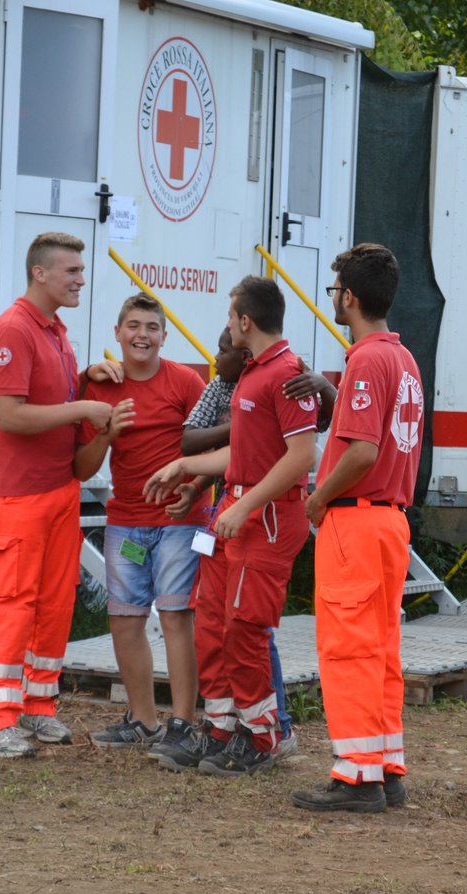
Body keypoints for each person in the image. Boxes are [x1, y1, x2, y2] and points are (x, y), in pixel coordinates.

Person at [143, 276, 316, 776]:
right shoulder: (253, 373)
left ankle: (264, 736)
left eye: (228, 317)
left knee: (245, 629)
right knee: (214, 623)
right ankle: (220, 728)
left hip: (265, 516)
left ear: (246, 321)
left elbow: (300, 456)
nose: (226, 326)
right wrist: (189, 472)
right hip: (237, 510)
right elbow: (247, 451)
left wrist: (246, 504)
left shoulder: (284, 372)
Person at [291, 243, 423, 814]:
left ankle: (356, 775)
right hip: (390, 522)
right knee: (381, 651)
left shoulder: (367, 358)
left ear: (350, 297)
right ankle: (385, 765)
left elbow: (362, 450)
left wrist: (319, 497)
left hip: (358, 520)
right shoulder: (404, 358)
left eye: (335, 291)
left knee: (348, 651)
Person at [0, 232, 112, 758]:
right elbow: (10, 414)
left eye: (80, 269)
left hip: (58, 489)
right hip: (21, 495)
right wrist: (82, 410)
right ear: (40, 273)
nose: (80, 278)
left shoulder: (54, 330)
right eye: (72, 270)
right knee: (12, 604)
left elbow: (47, 397)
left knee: (54, 604)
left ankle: (38, 707)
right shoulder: (15, 327)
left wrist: (83, 378)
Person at [73, 295, 205, 749]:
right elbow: (83, 469)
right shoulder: (102, 388)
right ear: (117, 333)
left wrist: (195, 489)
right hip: (126, 523)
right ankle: (144, 722)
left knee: (175, 616)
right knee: (125, 620)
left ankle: (183, 725)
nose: (142, 335)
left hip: (178, 521)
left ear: (164, 337)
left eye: (151, 327)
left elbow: (211, 447)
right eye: (133, 325)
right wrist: (108, 431)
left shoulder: (186, 382)